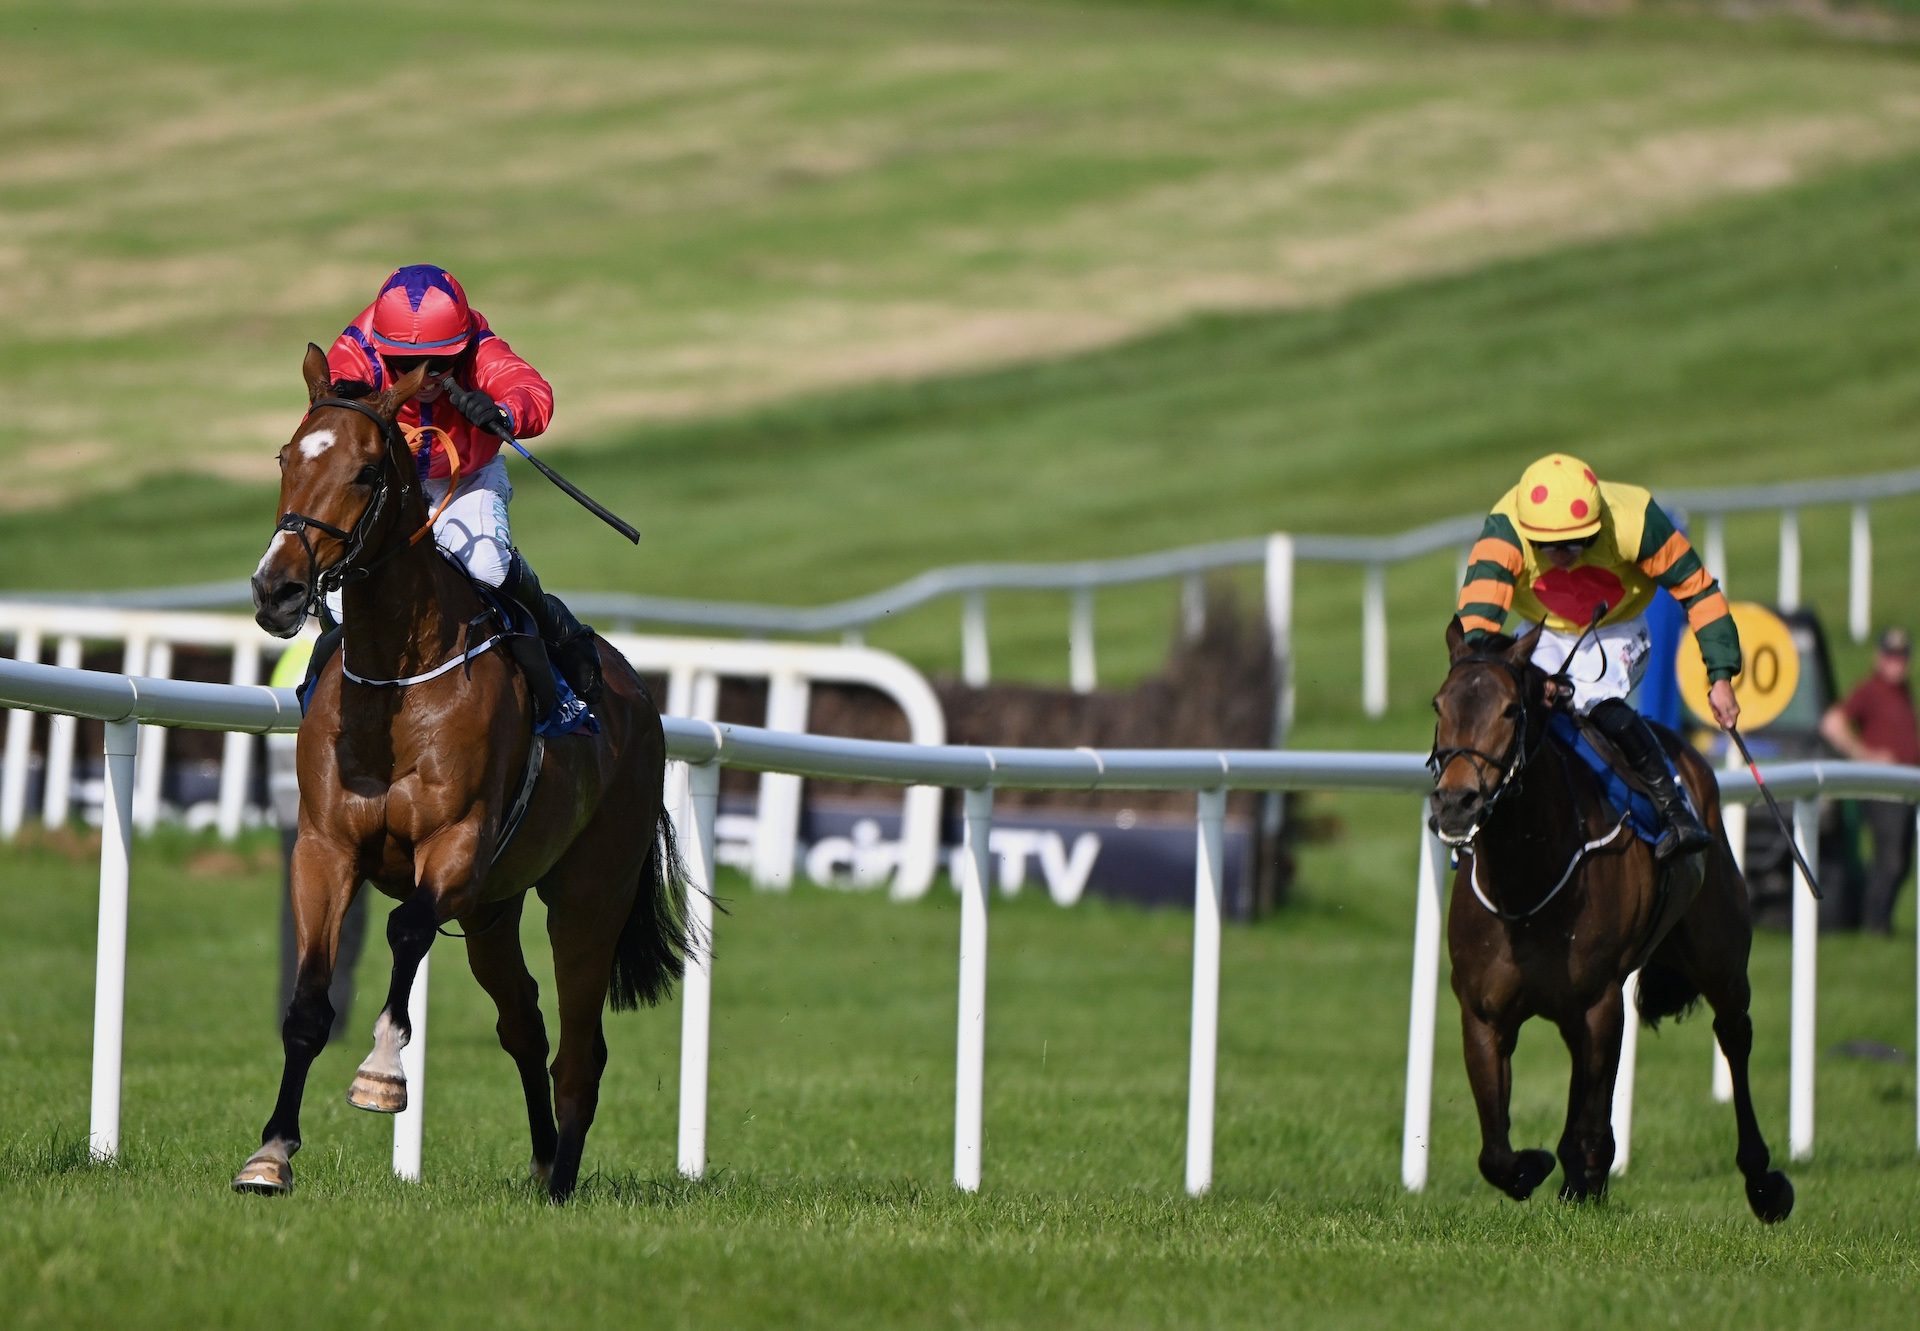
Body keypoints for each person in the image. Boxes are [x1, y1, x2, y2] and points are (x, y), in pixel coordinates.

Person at [320, 263, 600, 700]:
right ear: (381, 348)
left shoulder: (479, 346)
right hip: (389, 488)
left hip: (468, 478)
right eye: (406, 364)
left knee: (487, 566)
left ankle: (557, 643)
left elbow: (528, 389)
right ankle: (321, 695)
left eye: (440, 362)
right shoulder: (355, 351)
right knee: (339, 594)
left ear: (462, 345)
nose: (425, 376)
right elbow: (327, 424)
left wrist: (504, 413)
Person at [1455, 453, 1742, 861]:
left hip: (1617, 628)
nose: (1563, 554)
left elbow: (1699, 591)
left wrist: (1721, 677)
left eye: (1578, 542)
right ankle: (1475, 819)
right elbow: (1476, 629)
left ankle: (1675, 811)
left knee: (1595, 704)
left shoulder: (1636, 519)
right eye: (1549, 546)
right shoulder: (1504, 531)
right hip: (1543, 631)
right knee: (1507, 707)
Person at [1819, 627, 1918, 935]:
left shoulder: (1902, 691)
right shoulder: (1871, 690)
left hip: (1905, 788)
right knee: (1890, 858)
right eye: (1891, 656)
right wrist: (1867, 756)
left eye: (1902, 657)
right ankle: (1874, 925)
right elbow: (1832, 723)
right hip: (1881, 789)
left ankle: (1879, 921)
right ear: (1879, 657)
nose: (1896, 663)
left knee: (1902, 861)